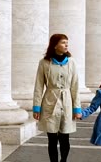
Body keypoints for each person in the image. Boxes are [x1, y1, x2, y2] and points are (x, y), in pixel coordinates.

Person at [33, 33, 82, 162]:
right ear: (55, 45)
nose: (66, 45)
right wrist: (36, 107)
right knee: (52, 138)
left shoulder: (72, 62)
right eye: (63, 42)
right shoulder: (44, 63)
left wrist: (77, 108)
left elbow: (75, 86)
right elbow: (38, 86)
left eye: (67, 42)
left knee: (65, 137)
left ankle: (63, 160)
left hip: (67, 103)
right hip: (49, 101)